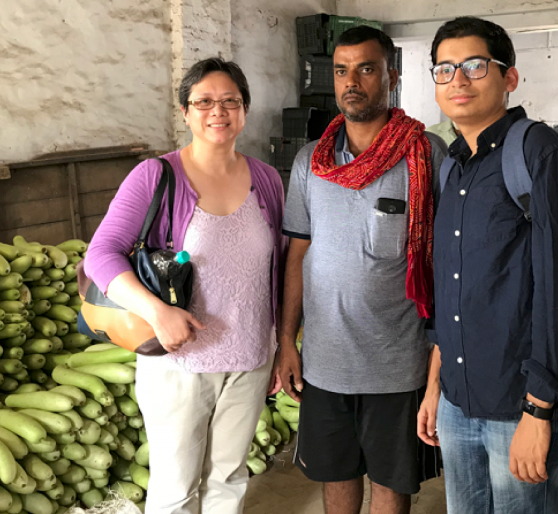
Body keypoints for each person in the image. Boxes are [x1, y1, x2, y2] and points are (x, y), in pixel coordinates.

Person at [84, 57, 285, 514]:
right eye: (205, 101)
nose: (219, 111)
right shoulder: (157, 175)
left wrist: (278, 343)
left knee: (228, 479)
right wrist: (158, 312)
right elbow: (100, 254)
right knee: (176, 490)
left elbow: (276, 266)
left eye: (230, 101)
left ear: (245, 109)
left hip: (250, 360)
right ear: (185, 112)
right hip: (179, 363)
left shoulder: (267, 180)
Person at [417, 16, 558, 514]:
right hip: (458, 401)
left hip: (520, 404)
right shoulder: (453, 165)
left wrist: (539, 411)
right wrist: (436, 386)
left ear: (509, 77)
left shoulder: (539, 153)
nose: (458, 79)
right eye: (445, 69)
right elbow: (451, 288)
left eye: (475, 65)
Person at [277, 26, 447, 514]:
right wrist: (288, 341)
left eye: (366, 69)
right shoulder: (311, 163)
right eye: (341, 70)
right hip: (325, 364)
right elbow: (298, 254)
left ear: (391, 77)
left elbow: (447, 261)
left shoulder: (425, 156)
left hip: (398, 363)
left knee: (392, 484)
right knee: (336, 475)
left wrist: (438, 365)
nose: (352, 81)